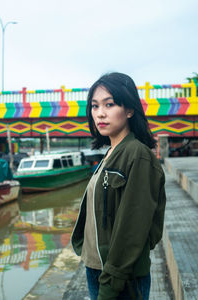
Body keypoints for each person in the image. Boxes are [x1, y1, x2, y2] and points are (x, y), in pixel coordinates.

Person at [71, 72, 166, 300]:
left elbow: (133, 226)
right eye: (95, 106)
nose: (100, 113)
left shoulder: (137, 156)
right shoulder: (110, 153)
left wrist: (113, 280)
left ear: (130, 110)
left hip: (120, 278)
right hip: (97, 268)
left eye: (109, 104)